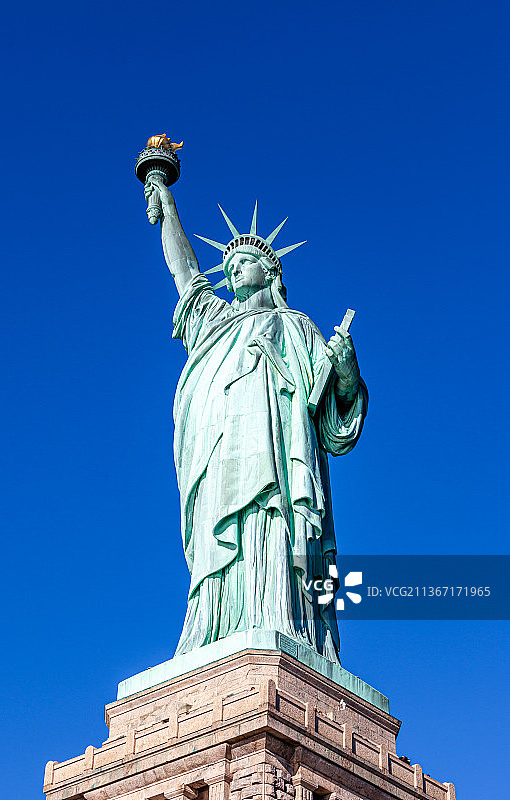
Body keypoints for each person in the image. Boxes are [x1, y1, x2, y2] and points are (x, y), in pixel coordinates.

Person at [146, 178, 368, 662]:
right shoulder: (214, 323)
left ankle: (280, 619)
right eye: (226, 265)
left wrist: (347, 371)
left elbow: (334, 418)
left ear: (269, 270)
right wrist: (168, 209)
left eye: (242, 262)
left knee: (274, 530)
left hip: (279, 466)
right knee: (219, 543)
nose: (231, 270)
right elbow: (186, 275)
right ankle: (214, 626)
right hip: (220, 457)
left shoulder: (296, 327)